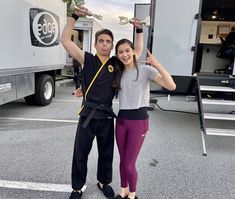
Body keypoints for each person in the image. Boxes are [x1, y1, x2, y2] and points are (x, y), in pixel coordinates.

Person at [60, 5, 144, 199]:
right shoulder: (86, 59)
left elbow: (137, 52)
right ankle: (77, 186)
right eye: (101, 41)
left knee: (106, 154)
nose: (104, 44)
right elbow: (65, 40)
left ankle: (103, 181)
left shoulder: (117, 63)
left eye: (108, 42)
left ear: (112, 45)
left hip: (106, 115)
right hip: (87, 115)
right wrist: (73, 17)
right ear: (96, 44)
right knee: (80, 153)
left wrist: (139, 30)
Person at [113, 39, 176, 199]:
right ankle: (123, 190)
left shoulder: (145, 69)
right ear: (117, 55)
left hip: (138, 122)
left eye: (127, 50)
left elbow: (171, 86)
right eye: (120, 52)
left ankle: (133, 194)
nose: (124, 54)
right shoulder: (118, 72)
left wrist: (157, 64)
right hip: (121, 121)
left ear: (133, 51)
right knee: (122, 161)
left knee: (129, 163)